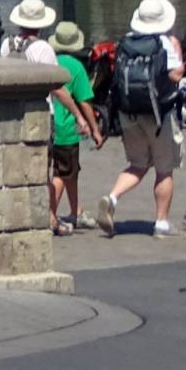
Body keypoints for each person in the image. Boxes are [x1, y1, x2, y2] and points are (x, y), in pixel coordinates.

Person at [98, 0, 186, 238]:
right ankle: (161, 224)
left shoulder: (127, 40)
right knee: (164, 169)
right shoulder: (166, 43)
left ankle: (112, 198)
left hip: (129, 113)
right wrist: (179, 55)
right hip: (159, 115)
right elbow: (176, 75)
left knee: (137, 165)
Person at [46, 22, 104, 235]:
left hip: (49, 124)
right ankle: (50, 215)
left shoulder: (50, 61)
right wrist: (94, 129)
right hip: (67, 128)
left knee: (71, 171)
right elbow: (85, 101)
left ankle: (75, 211)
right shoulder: (76, 67)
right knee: (62, 173)